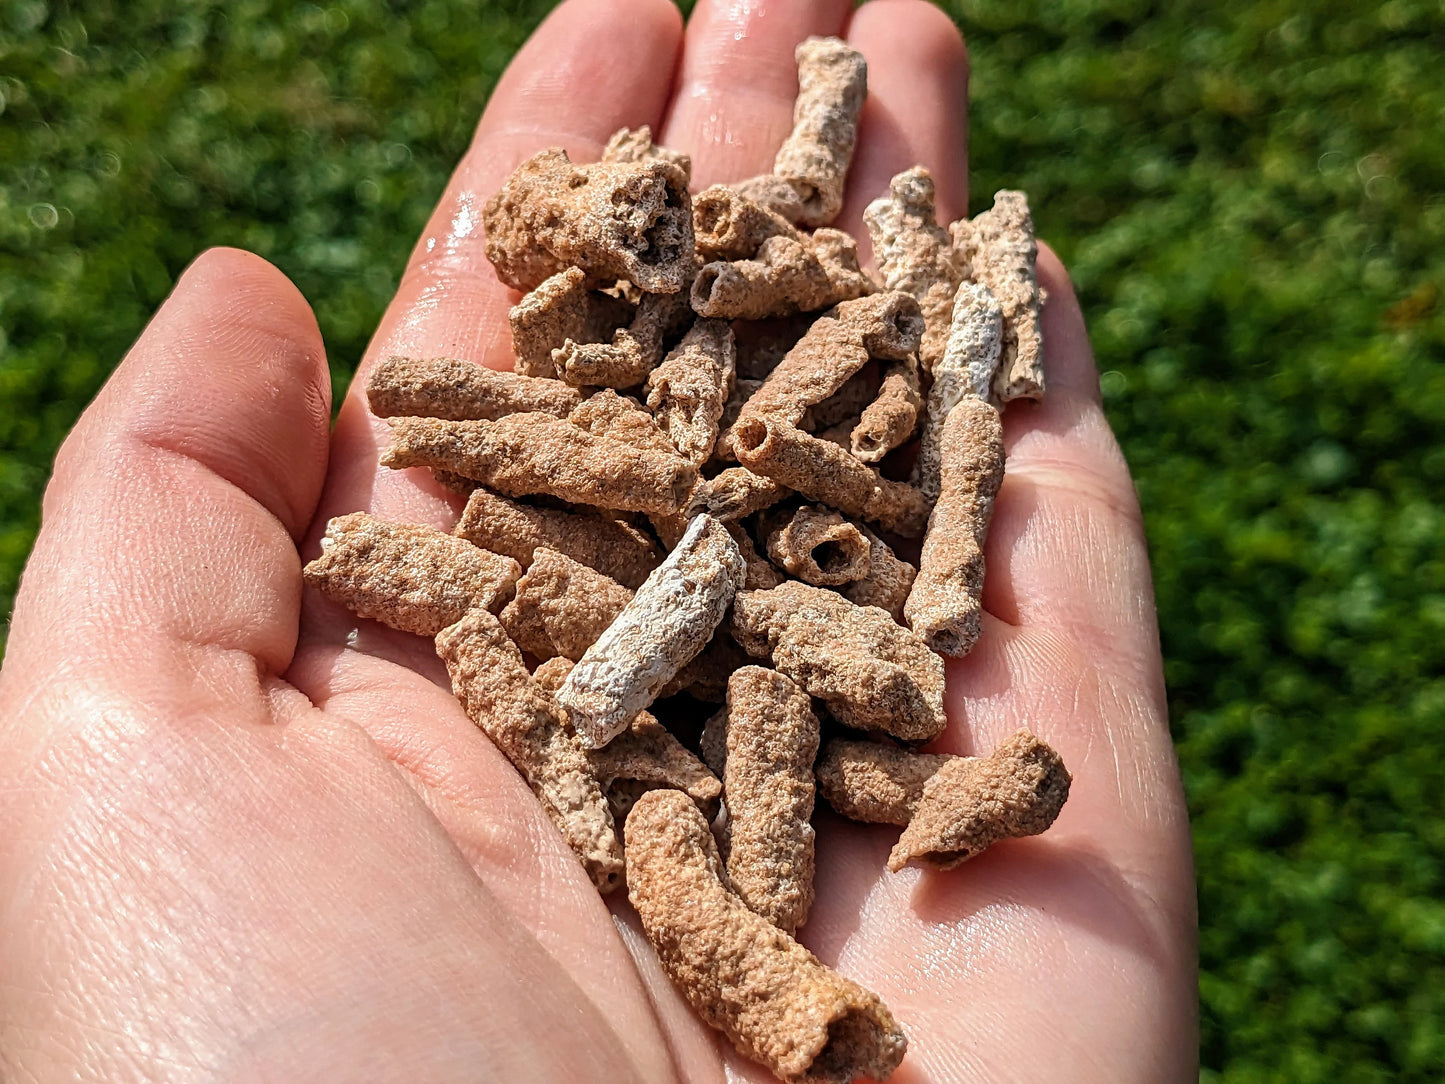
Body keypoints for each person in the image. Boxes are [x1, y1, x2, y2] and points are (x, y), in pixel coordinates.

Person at [0, 0, 1197, 1078]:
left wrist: (861, 473)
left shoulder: (797, 451)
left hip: (762, 617)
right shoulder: (579, 490)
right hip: (662, 630)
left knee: (771, 679)